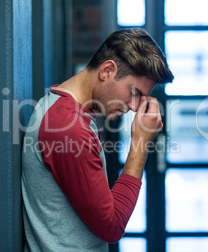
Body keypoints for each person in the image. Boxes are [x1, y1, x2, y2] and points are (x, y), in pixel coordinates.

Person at [21, 28, 174, 251]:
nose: (134, 106)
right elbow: (111, 228)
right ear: (107, 70)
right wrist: (140, 144)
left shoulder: (66, 109)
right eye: (134, 92)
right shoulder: (68, 127)